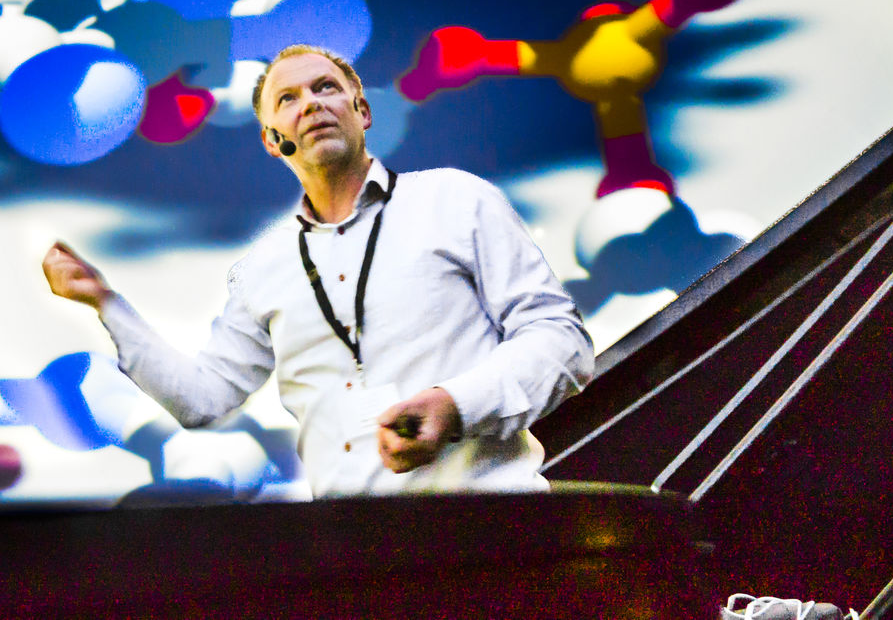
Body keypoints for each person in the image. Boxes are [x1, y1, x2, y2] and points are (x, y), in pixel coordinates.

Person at [43, 45, 594, 497]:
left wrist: (455, 406)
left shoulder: (456, 199)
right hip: (357, 559)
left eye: (326, 88)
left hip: (494, 526)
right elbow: (203, 399)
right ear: (271, 140)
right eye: (288, 98)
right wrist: (105, 303)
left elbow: (561, 340)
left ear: (362, 111)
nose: (310, 104)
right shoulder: (262, 269)